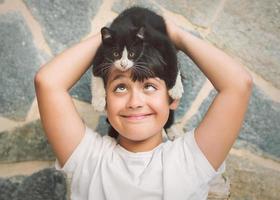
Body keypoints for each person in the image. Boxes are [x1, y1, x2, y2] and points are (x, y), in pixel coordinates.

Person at [34, 17, 253, 200]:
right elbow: (47, 82)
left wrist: (174, 35)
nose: (134, 102)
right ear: (104, 100)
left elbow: (238, 84)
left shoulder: (190, 159)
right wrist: (113, 36)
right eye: (120, 88)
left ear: (172, 97)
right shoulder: (88, 159)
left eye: (149, 86)